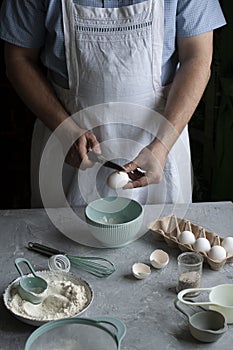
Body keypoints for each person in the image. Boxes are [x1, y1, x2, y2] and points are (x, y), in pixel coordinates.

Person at [0, 0, 226, 208]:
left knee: (162, 245)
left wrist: (162, 146)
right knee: (60, 245)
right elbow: (18, 58)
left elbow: (197, 57)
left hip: (161, 143)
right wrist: (64, 129)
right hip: (67, 143)